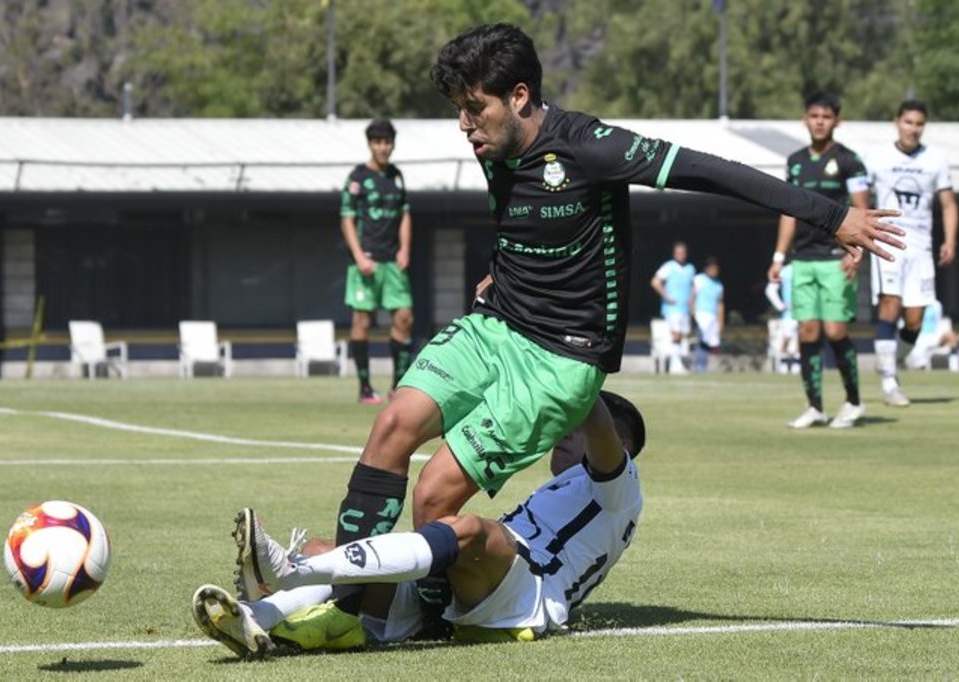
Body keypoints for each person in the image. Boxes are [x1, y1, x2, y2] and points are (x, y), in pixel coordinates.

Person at [321, 23, 902, 627]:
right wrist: (503, 270)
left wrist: (832, 216)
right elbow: (528, 224)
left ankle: (419, 618)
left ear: (519, 97)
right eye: (458, 111)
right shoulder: (495, 145)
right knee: (391, 426)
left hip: (561, 357)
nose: (465, 125)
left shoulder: (591, 146)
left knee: (434, 496)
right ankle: (343, 613)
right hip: (497, 325)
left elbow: (711, 172)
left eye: (474, 109)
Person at [191, 391, 645, 657]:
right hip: (484, 587)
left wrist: (578, 359)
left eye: (575, 427)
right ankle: (255, 617)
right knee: (332, 547)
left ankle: (287, 575)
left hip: (530, 598)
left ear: (619, 444)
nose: (564, 432)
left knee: (471, 530)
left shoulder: (618, 484)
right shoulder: (572, 488)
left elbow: (597, 423)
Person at [767, 92, 871, 429]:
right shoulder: (795, 162)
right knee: (808, 333)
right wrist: (780, 256)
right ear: (805, 119)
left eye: (826, 116)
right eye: (814, 116)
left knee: (836, 331)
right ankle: (815, 407)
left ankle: (854, 403)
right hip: (804, 259)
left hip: (835, 258)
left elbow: (861, 209)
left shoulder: (850, 161)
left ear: (836, 121)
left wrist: (858, 250)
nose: (820, 122)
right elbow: (788, 212)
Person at [867, 100, 959, 406]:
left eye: (919, 124)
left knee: (916, 320)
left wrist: (950, 240)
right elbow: (860, 198)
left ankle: (892, 362)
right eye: (908, 122)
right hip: (887, 242)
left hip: (921, 247)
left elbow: (948, 204)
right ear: (897, 122)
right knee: (890, 307)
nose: (913, 129)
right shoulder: (877, 157)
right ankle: (889, 381)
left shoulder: (936, 159)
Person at [340, 118, 415, 404]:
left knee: (405, 318)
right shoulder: (357, 178)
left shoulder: (396, 176)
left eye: (387, 142)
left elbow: (404, 214)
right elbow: (346, 219)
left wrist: (405, 249)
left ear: (392, 144)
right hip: (366, 261)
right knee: (361, 320)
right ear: (370, 144)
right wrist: (359, 256)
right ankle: (364, 387)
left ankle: (398, 386)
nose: (383, 147)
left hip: (393, 263)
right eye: (378, 142)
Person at [651, 241, 696, 374]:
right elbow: (655, 282)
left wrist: (692, 303)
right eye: (678, 252)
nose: (681, 255)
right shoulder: (668, 267)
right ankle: (675, 365)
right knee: (675, 334)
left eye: (683, 253)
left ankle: (677, 363)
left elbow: (693, 287)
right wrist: (667, 297)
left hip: (684, 309)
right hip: (672, 308)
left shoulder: (690, 268)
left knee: (681, 336)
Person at [905, 300, 959, 372]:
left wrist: (942, 335)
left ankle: (955, 369)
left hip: (934, 336)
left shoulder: (937, 305)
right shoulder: (914, 303)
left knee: (953, 337)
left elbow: (938, 322)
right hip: (919, 337)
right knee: (918, 362)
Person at [690, 257, 724, 373]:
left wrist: (720, 321)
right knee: (701, 342)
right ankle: (698, 368)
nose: (714, 271)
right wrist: (693, 313)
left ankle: (703, 368)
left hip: (712, 316)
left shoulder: (719, 284)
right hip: (700, 315)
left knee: (708, 343)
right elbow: (692, 297)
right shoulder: (698, 279)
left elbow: (720, 304)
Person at [765, 262, 799, 374]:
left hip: (806, 313)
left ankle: (797, 368)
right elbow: (770, 290)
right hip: (789, 315)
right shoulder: (785, 271)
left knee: (801, 340)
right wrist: (781, 305)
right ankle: (783, 368)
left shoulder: (810, 268)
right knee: (786, 339)